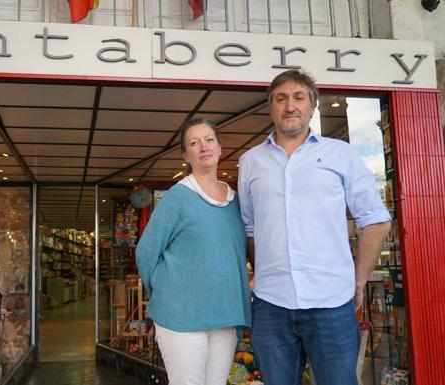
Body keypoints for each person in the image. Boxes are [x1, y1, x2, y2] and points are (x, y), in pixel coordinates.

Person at [237, 70, 391, 385]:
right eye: (281, 99)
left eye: (298, 97)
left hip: (331, 303)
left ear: (312, 107)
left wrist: (358, 280)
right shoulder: (251, 161)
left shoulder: (340, 154)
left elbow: (376, 220)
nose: (290, 106)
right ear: (271, 108)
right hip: (271, 304)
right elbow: (249, 228)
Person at [136, 118, 251, 385]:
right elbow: (145, 253)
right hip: (181, 318)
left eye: (209, 140)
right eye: (194, 142)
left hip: (225, 315)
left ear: (221, 148)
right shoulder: (178, 197)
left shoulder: (236, 201)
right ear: (185, 154)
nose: (203, 147)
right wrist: (166, 293)